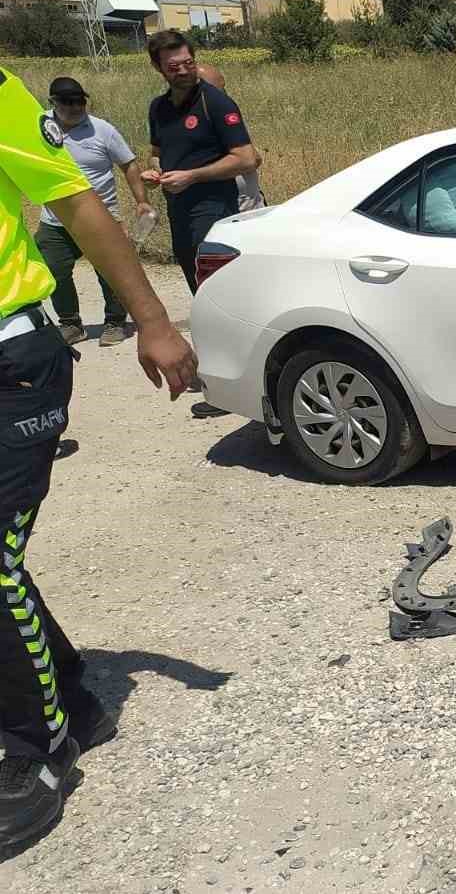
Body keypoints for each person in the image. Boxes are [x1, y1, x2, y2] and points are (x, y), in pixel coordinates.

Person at [0, 64, 197, 848]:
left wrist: (152, 318)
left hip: (13, 356)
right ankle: (75, 702)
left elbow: (78, 202)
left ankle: (35, 750)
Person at [142, 30, 256, 419]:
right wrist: (155, 173)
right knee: (199, 295)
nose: (185, 71)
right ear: (158, 68)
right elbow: (159, 154)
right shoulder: (158, 108)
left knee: (217, 297)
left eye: (189, 62)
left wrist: (193, 176)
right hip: (179, 212)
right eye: (175, 67)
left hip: (214, 211)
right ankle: (223, 379)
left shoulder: (216, 102)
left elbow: (245, 158)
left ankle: (228, 387)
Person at [32, 77, 154, 348]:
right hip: (55, 219)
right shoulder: (38, 127)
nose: (75, 107)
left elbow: (129, 164)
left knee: (109, 270)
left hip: (101, 217)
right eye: (67, 102)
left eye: (80, 101)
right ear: (52, 102)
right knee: (54, 270)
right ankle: (71, 324)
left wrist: (141, 201)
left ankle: (115, 321)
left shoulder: (103, 130)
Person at [195, 64, 265, 211]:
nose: (224, 95)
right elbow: (251, 159)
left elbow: (253, 159)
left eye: (224, 88)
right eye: (219, 90)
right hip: (226, 207)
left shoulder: (226, 112)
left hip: (249, 204)